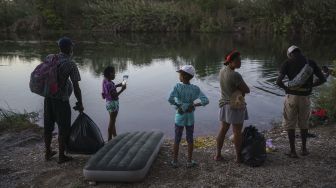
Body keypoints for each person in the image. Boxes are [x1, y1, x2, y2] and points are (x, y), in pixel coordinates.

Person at [276, 45, 326, 158]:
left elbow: (278, 82)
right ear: (300, 52)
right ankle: (304, 149)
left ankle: (293, 151)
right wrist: (311, 85)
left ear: (290, 54)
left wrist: (286, 89)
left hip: (291, 97)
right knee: (304, 122)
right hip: (305, 97)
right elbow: (323, 79)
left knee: (290, 123)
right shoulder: (311, 63)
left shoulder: (287, 63)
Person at [44, 37, 84, 164]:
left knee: (48, 126)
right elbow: (76, 87)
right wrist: (80, 102)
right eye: (71, 46)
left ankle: (48, 152)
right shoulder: (70, 64)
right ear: (68, 48)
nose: (72, 49)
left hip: (48, 98)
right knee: (64, 127)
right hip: (61, 100)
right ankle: (61, 156)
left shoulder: (50, 57)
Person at [168, 65, 209, 168]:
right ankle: (189, 162)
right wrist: (194, 105)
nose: (179, 76)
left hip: (179, 116)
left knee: (177, 139)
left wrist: (178, 106)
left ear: (183, 76)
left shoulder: (177, 87)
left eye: (180, 74)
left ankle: (175, 161)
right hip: (190, 118)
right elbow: (205, 101)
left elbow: (170, 99)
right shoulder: (195, 89)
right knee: (190, 139)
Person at [215, 49, 250, 163]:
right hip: (235, 106)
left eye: (240, 60)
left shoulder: (221, 71)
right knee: (237, 132)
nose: (240, 62)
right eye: (237, 61)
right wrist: (240, 90)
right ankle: (238, 158)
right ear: (230, 62)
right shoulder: (235, 75)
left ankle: (218, 155)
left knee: (223, 130)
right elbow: (247, 90)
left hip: (224, 105)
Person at [102, 66, 126, 141]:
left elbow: (109, 90)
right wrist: (122, 89)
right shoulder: (110, 84)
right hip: (113, 104)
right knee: (112, 122)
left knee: (112, 121)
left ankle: (115, 137)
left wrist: (119, 85)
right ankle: (109, 139)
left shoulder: (105, 81)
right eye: (114, 73)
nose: (115, 75)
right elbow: (114, 95)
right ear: (110, 74)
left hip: (108, 103)